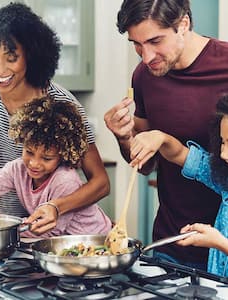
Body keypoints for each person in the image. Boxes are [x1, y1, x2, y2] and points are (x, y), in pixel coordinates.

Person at [0, 2, 110, 235]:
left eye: (11, 57)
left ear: (30, 54)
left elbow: (101, 183)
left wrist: (55, 207)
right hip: (11, 228)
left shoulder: (62, 105)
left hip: (56, 232)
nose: (0, 70)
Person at [104, 0, 228, 269]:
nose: (146, 56)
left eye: (155, 41)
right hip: (170, 244)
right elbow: (146, 165)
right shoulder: (144, 77)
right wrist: (124, 137)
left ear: (183, 24)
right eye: (136, 44)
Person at [0, 97, 112, 237]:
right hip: (61, 243)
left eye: (47, 158)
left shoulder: (65, 181)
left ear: (63, 155)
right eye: (29, 152)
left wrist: (1, 226)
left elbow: (50, 231)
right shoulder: (18, 169)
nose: (34, 163)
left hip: (94, 239)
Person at [129, 94, 228, 276]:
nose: (223, 154)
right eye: (223, 142)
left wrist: (219, 242)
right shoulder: (225, 179)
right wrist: (160, 138)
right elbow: (182, 155)